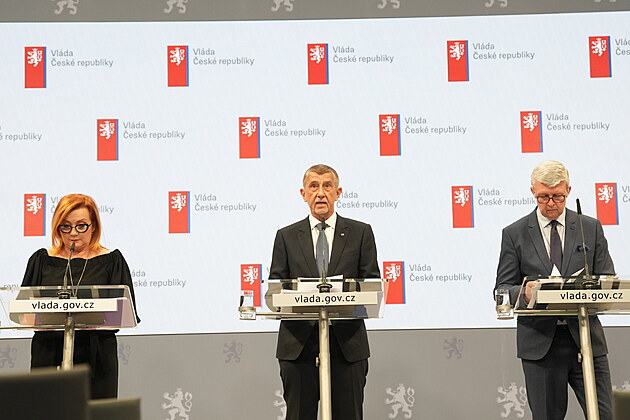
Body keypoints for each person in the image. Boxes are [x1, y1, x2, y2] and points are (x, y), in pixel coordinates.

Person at [495, 160, 614, 420]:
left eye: (558, 196)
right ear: (532, 192)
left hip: (586, 339)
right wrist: (524, 292)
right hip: (540, 345)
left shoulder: (590, 228)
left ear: (568, 191)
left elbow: (607, 279)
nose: (551, 203)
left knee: (604, 415)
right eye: (543, 197)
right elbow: (502, 289)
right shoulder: (515, 233)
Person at [269, 164, 380, 420]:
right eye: (314, 186)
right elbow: (276, 289)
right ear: (303, 194)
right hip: (298, 347)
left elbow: (371, 284)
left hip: (347, 346)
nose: (321, 193)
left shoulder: (360, 233)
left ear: (338, 192)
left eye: (327, 186)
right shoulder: (286, 236)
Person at [21, 194, 138, 399]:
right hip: (48, 351)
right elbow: (22, 313)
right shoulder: (41, 260)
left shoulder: (112, 261)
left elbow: (125, 313)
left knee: (95, 412)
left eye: (81, 226)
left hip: (96, 354)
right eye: (65, 227)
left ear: (94, 226)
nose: (73, 233)